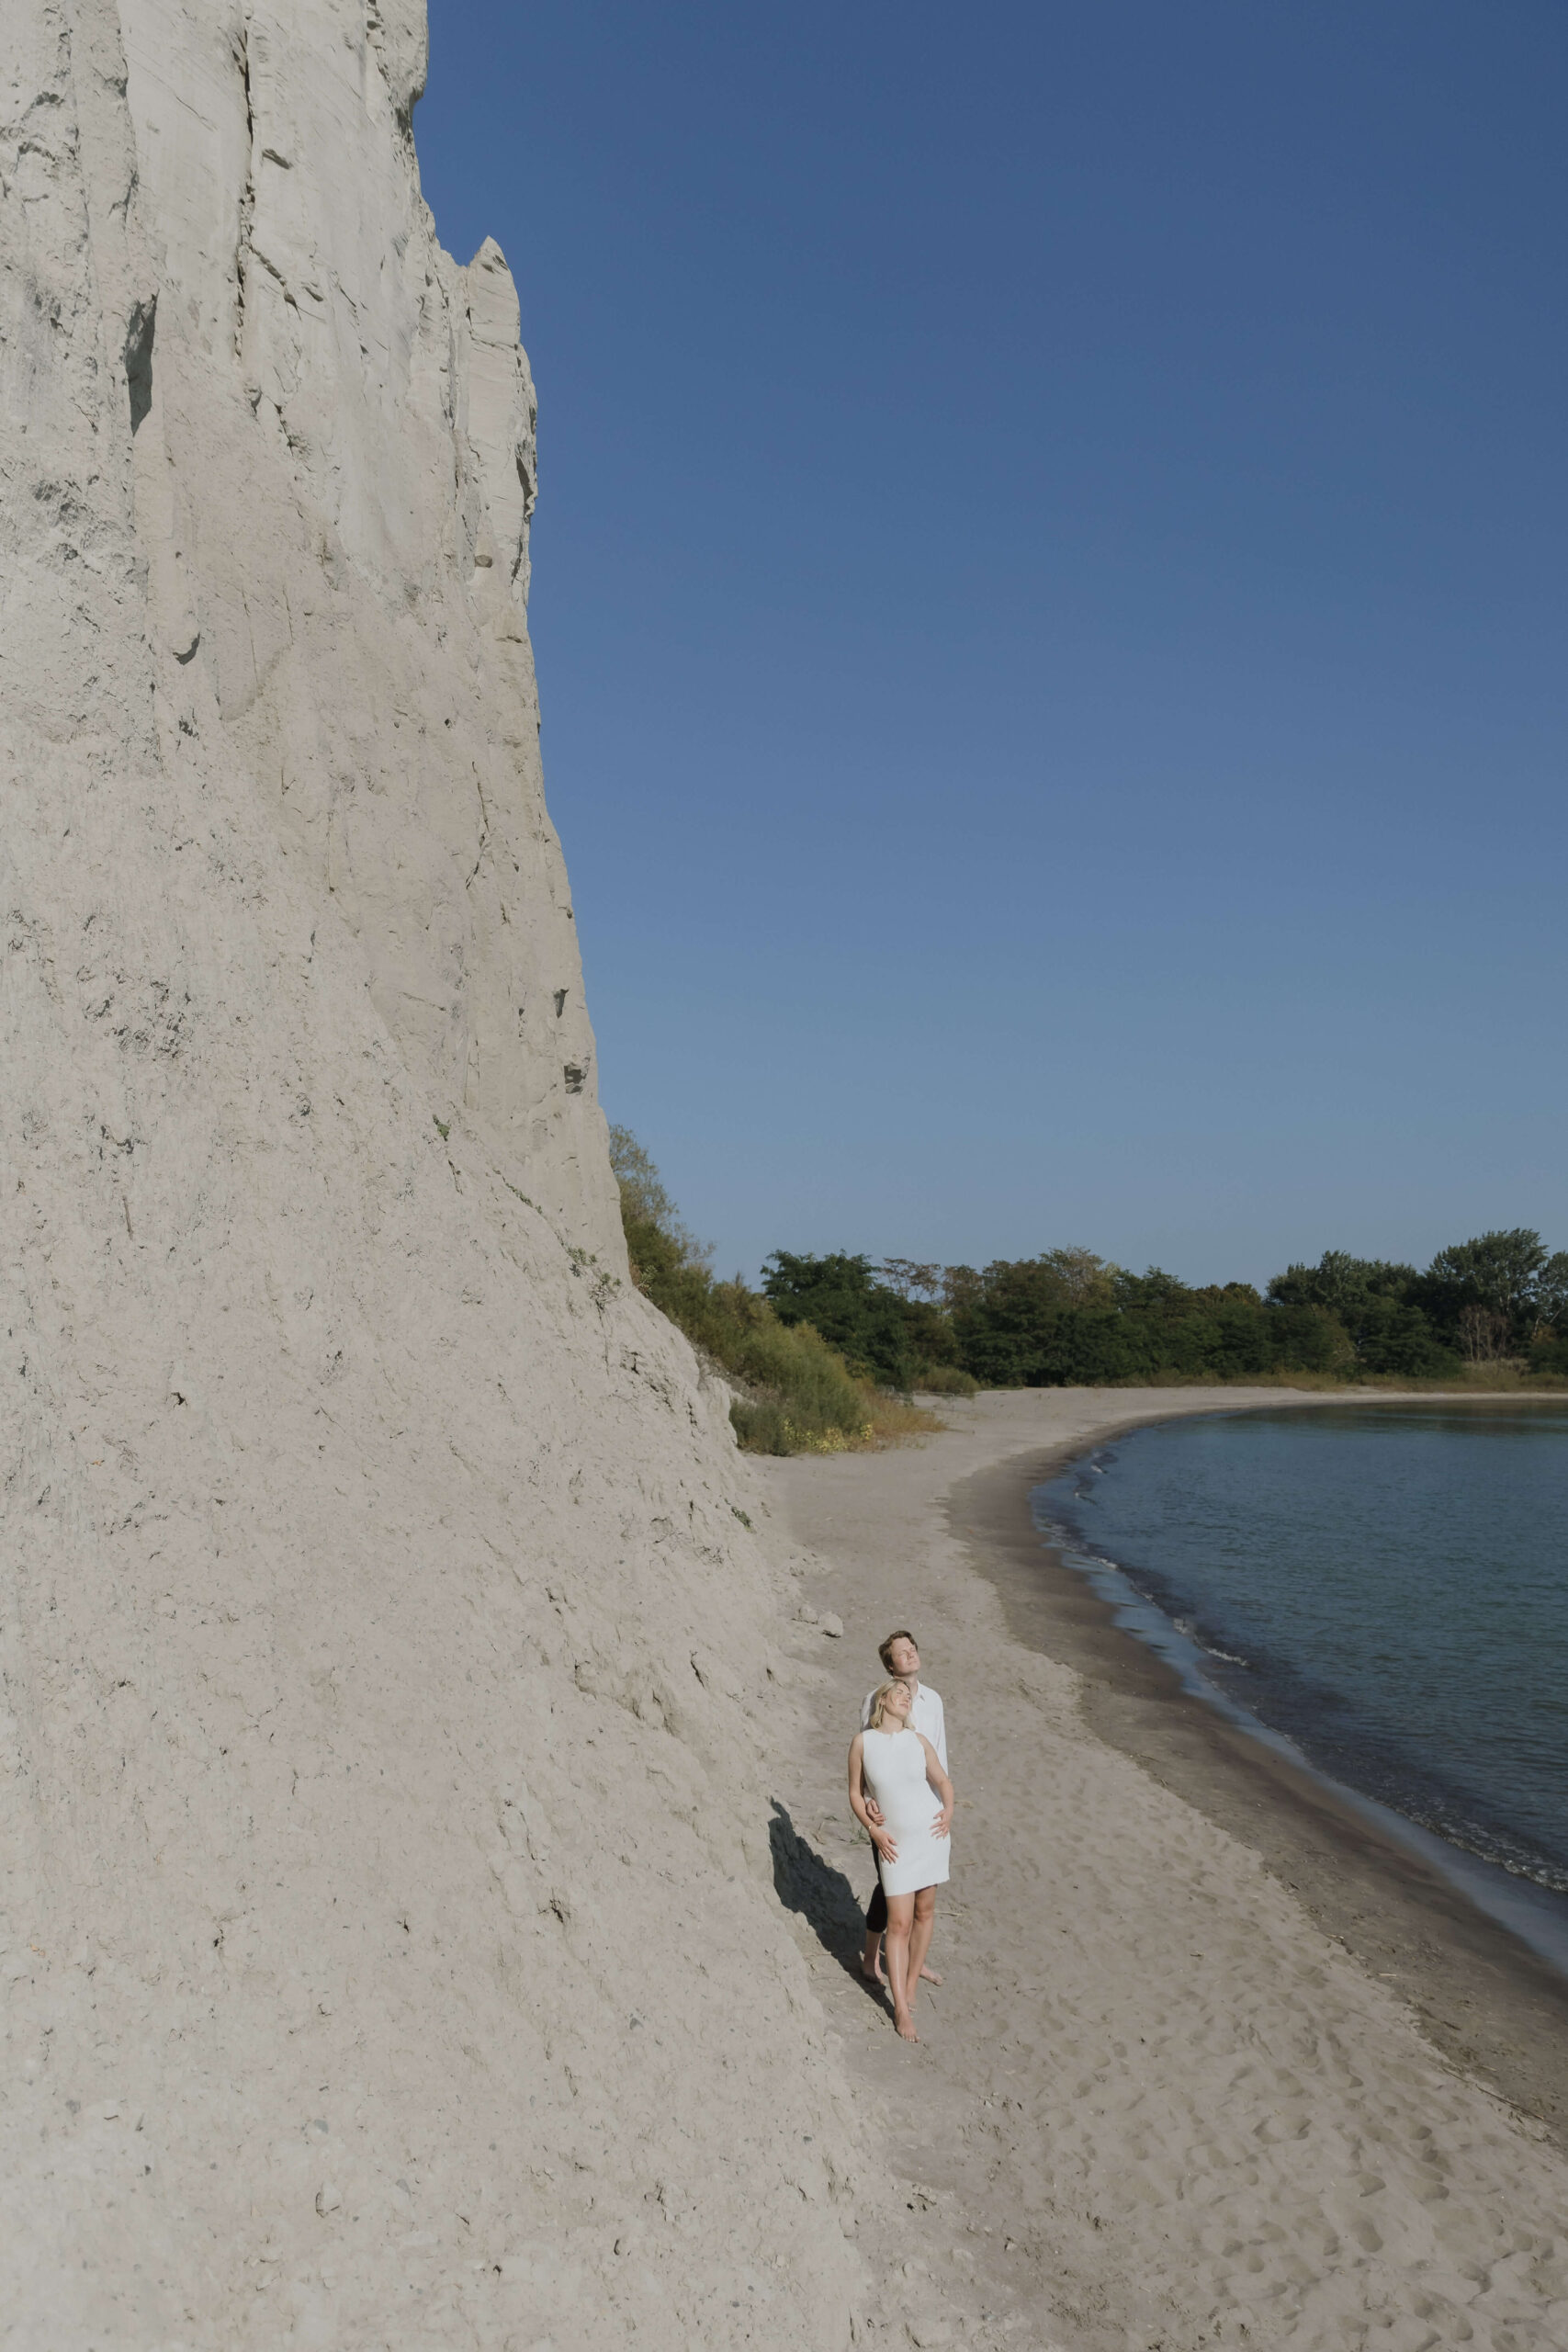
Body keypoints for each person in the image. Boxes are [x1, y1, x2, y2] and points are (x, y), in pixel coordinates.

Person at [848, 1679, 953, 2041]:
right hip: (893, 1844)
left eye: (909, 1696)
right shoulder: (863, 1743)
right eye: (899, 1694)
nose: (907, 1698)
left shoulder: (918, 1740)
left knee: (925, 1913)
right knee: (899, 1924)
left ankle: (909, 1988)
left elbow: (943, 1781)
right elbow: (855, 1793)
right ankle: (900, 2009)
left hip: (931, 1837)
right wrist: (873, 1831)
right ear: (882, 1701)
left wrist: (949, 1811)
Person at [859, 1631, 946, 1988]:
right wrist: (868, 1803)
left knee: (923, 1893)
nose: (910, 1655)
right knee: (889, 1887)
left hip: (928, 1815)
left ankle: (914, 1963)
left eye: (912, 1649)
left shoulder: (934, 1701)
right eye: (901, 1653)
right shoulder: (875, 1699)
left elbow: (940, 1756)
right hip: (890, 1815)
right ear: (890, 1665)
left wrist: (945, 1806)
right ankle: (869, 1958)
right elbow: (867, 1754)